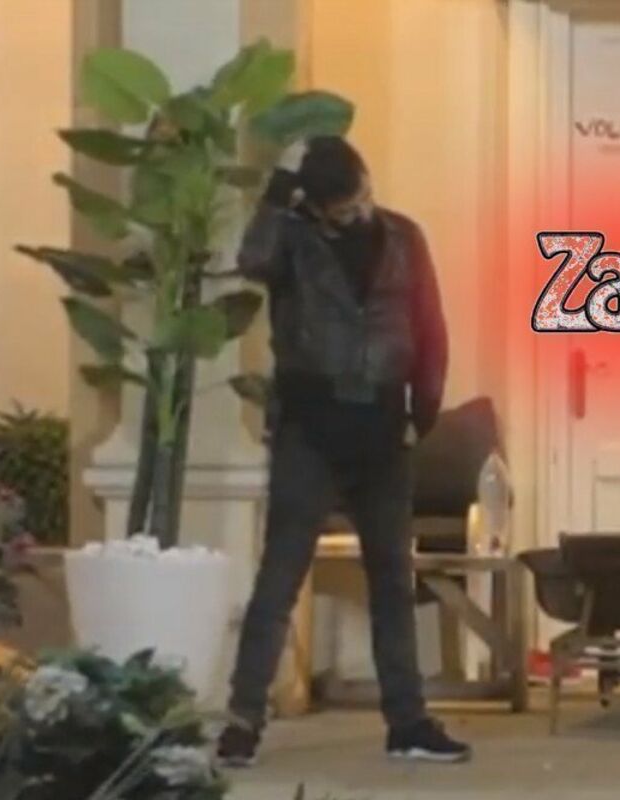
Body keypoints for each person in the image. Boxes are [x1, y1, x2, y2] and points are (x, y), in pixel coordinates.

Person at [217, 136, 471, 766]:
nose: (358, 214)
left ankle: (407, 723)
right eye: (342, 210)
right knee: (279, 580)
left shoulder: (404, 238)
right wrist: (278, 188)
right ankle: (242, 722)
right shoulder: (291, 240)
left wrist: (422, 414)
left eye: (362, 199)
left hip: (383, 431)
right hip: (310, 430)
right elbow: (251, 261)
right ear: (313, 205)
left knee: (392, 582)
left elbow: (431, 328)